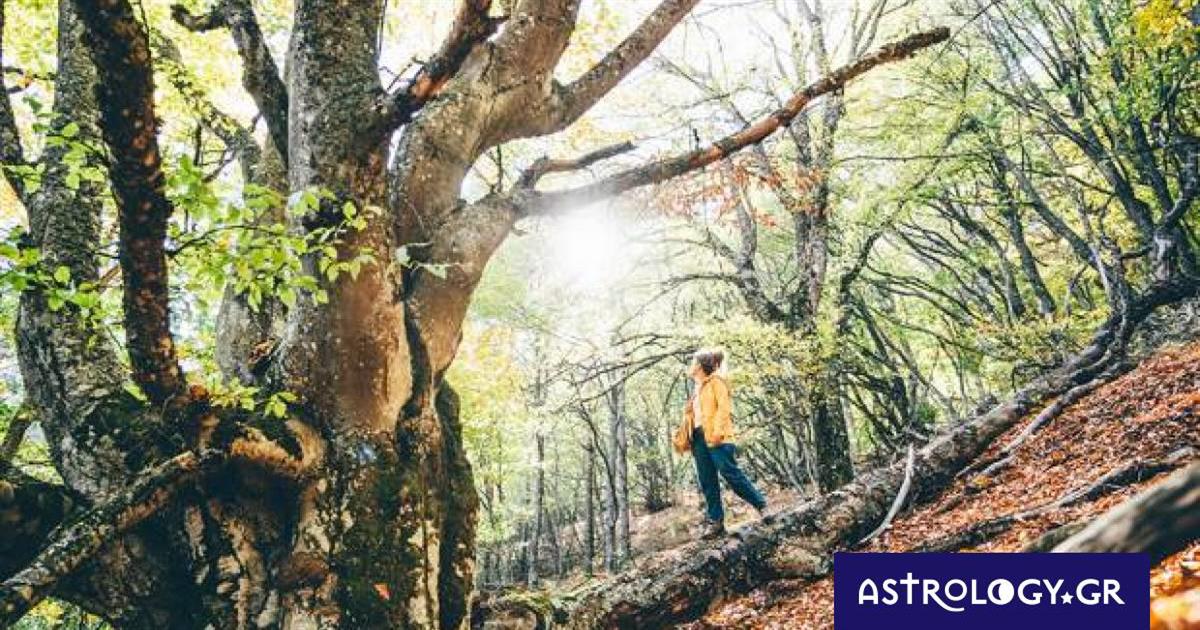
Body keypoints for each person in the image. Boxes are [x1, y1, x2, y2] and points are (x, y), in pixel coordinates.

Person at [674, 348, 769, 539]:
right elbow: (693, 417)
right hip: (699, 439)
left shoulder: (717, 381)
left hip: (718, 437)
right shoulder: (697, 388)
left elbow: (724, 409)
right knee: (707, 480)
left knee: (730, 473)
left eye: (693, 362)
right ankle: (716, 522)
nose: (691, 365)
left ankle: (762, 506)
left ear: (700, 365)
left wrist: (717, 432)